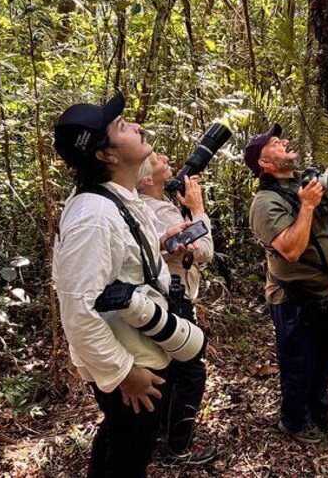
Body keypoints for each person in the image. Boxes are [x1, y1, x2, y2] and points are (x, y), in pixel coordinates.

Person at [52, 92, 198, 477]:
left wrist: (161, 245)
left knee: (120, 442)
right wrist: (123, 374)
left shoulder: (118, 198)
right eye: (121, 126)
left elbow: (119, 268)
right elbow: (77, 310)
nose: (135, 125)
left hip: (143, 347)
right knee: (129, 457)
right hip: (132, 366)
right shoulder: (94, 216)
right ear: (106, 155)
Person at [245, 123, 328, 444]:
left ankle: (317, 411)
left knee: (322, 359)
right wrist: (306, 206)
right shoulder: (265, 203)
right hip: (294, 299)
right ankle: (293, 421)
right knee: (298, 364)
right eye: (277, 144)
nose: (286, 142)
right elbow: (290, 249)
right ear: (265, 163)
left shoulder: (301, 185)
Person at [136, 152, 216, 465]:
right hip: (174, 301)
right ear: (145, 179)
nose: (165, 156)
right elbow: (204, 251)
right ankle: (178, 446)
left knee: (168, 368)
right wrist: (197, 208)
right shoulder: (156, 211)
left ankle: (160, 435)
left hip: (160, 299)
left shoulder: (147, 207)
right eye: (156, 157)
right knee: (191, 370)